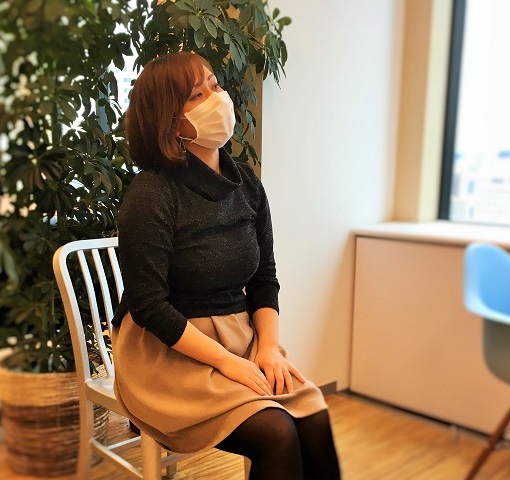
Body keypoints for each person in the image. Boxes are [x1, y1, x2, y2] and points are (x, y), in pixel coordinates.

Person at [111, 51, 341, 480]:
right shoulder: (151, 194)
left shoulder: (247, 183)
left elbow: (264, 278)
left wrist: (268, 347)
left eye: (215, 85)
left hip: (240, 337)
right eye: (197, 94)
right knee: (277, 433)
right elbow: (149, 306)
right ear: (170, 122)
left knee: (313, 419)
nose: (218, 97)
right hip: (166, 352)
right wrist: (226, 362)